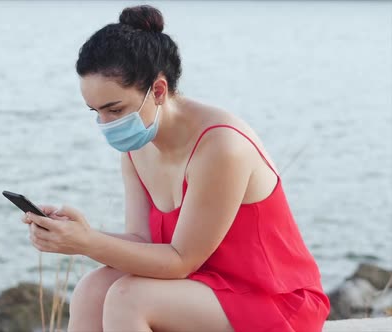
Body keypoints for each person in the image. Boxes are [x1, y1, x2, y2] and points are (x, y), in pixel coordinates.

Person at [22, 5, 330, 332]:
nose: (106, 124)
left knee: (129, 297)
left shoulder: (221, 147)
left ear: (158, 90)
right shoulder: (137, 146)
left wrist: (87, 244)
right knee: (91, 289)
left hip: (274, 300)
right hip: (201, 289)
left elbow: (181, 261)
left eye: (115, 109)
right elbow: (141, 241)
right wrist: (79, 234)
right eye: (96, 111)